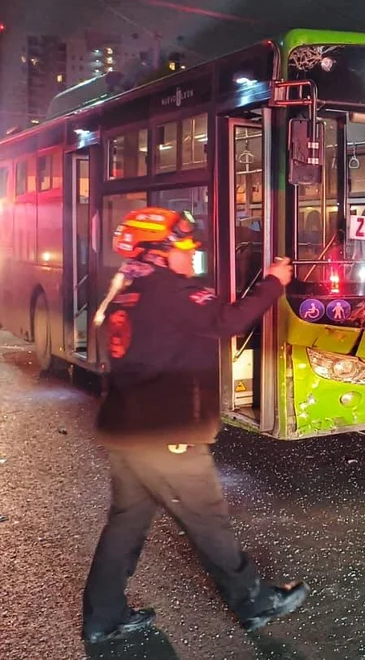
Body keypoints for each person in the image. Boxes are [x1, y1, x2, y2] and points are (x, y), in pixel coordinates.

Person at [82, 208, 309, 644]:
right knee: (208, 519)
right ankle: (255, 601)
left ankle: (102, 616)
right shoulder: (170, 291)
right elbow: (229, 321)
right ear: (159, 253)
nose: (192, 257)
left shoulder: (125, 286)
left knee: (126, 523)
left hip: (129, 429)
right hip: (167, 434)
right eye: (184, 250)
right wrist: (274, 282)